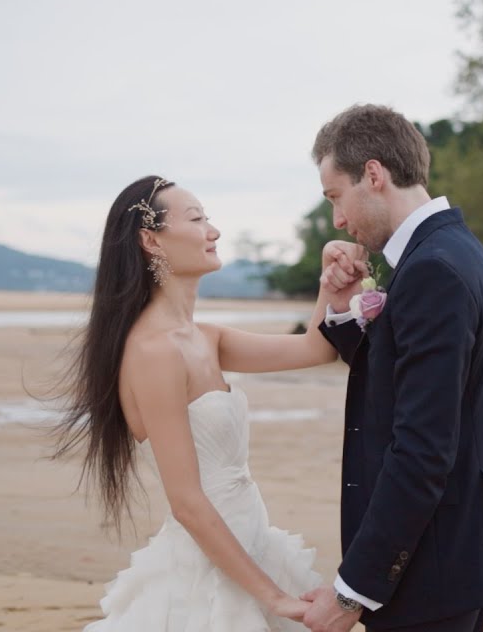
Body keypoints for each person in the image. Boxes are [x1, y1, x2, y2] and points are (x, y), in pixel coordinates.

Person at [55, 175, 362, 631]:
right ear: (149, 239)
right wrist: (273, 598)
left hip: (253, 543)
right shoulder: (154, 351)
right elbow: (187, 501)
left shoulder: (205, 338)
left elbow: (316, 349)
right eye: (197, 219)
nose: (213, 231)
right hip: (205, 572)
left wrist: (329, 281)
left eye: (208, 219)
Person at [300, 104, 483, 632]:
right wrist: (347, 308)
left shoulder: (432, 270)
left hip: (427, 575)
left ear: (373, 174)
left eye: (336, 197)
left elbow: (422, 449)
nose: (338, 221)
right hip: (446, 562)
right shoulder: (451, 252)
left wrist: (352, 592)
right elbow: (399, 377)